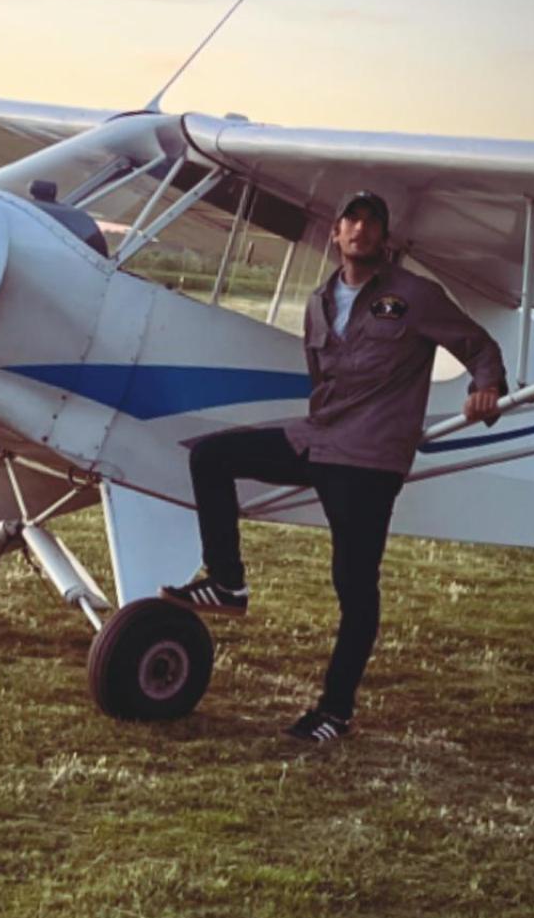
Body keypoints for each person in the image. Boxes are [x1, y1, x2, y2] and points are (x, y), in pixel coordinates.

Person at [161, 191, 507, 743]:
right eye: (352, 219)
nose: (361, 229)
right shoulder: (319, 301)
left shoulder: (414, 295)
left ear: (384, 237)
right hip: (317, 439)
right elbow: (322, 380)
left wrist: (485, 387)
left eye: (373, 222)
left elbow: (480, 346)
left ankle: (334, 712)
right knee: (211, 457)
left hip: (369, 457)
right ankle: (227, 582)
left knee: (353, 584)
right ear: (336, 233)